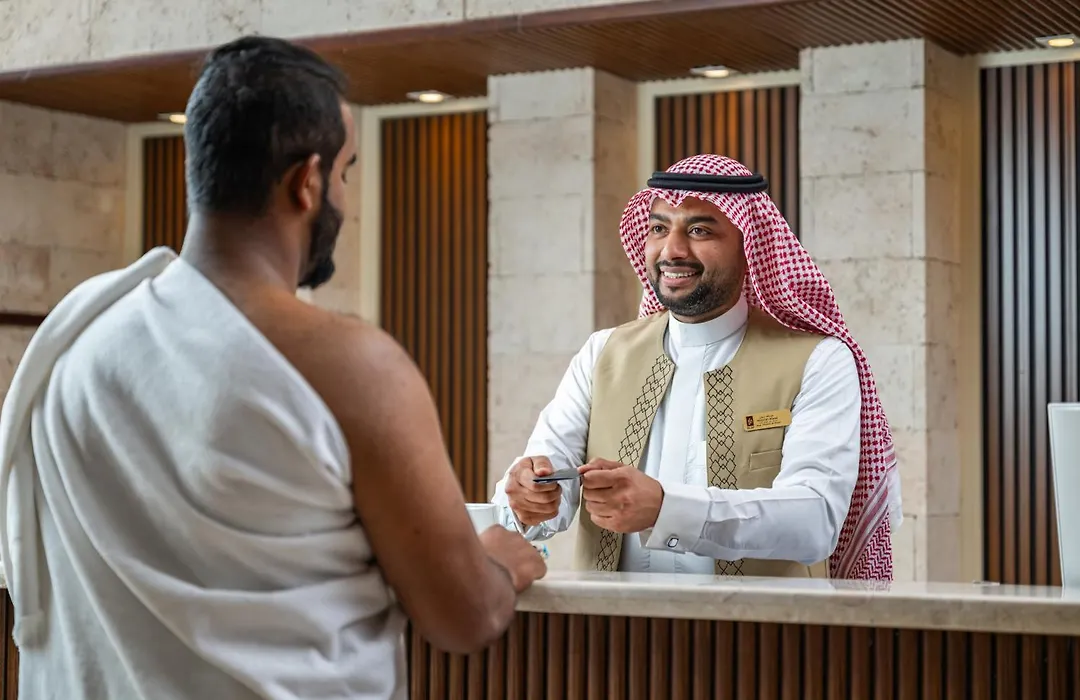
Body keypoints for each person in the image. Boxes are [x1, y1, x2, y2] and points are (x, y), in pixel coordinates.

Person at [0, 36, 544, 700]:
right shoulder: (354, 367)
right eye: (344, 173)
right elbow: (466, 615)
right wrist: (497, 564)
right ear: (306, 182)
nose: (342, 196)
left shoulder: (79, 341)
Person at [492, 154, 901, 580]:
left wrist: (666, 509)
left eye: (699, 230)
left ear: (749, 246)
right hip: (613, 621)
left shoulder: (817, 360)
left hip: (756, 623)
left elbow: (815, 521)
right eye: (658, 228)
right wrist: (527, 496)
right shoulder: (603, 353)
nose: (671, 250)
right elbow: (540, 477)